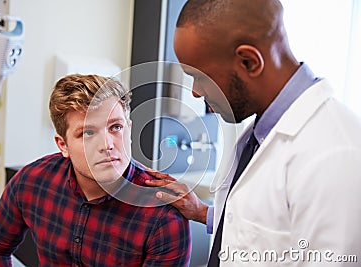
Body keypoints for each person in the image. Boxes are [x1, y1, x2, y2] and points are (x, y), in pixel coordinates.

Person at [146, 0, 361, 266]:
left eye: (200, 77)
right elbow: (267, 229)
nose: (195, 92)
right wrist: (203, 212)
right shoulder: (259, 132)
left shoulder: (336, 155)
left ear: (248, 62)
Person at [0, 74, 191, 266]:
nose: (107, 144)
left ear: (130, 129)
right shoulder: (32, 182)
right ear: (63, 145)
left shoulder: (163, 216)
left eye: (116, 127)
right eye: (87, 133)